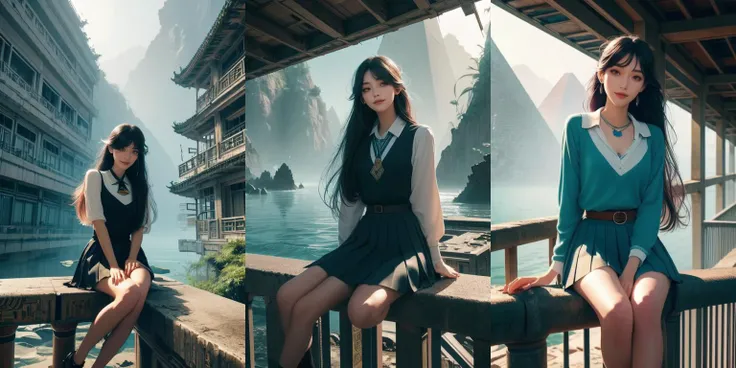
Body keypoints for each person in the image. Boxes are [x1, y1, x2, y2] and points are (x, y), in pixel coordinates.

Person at [503, 35, 688, 368]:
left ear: (643, 86)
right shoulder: (577, 128)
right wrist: (554, 268)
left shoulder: (652, 136)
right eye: (616, 71)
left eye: (636, 76)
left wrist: (631, 269)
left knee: (645, 305)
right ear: (601, 74)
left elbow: (649, 207)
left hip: (642, 246)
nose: (624, 83)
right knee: (617, 311)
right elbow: (569, 202)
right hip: (591, 246)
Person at [274, 55, 460, 368]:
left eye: (382, 83)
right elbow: (350, 204)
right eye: (366, 88)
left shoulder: (419, 136)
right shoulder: (361, 142)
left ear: (397, 86)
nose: (375, 92)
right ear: (361, 97)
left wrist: (435, 257)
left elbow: (425, 199)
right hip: (365, 237)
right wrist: (342, 256)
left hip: (403, 239)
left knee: (358, 311)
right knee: (286, 296)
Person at [62, 124, 157, 368]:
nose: (128, 156)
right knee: (130, 293)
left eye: (134, 151)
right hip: (101, 254)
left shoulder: (140, 185)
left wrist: (132, 258)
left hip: (131, 253)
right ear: (111, 148)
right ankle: (75, 360)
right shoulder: (95, 177)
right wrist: (114, 265)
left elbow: (138, 228)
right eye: (123, 148)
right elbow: (98, 223)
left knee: (139, 292)